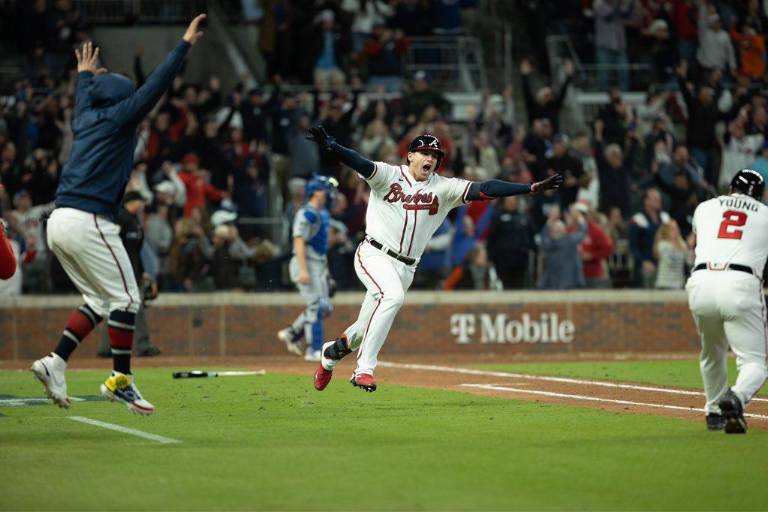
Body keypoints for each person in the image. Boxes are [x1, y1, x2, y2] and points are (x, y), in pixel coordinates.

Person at [30, 15, 206, 415]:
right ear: (120, 98)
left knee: (99, 298)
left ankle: (55, 361)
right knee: (128, 298)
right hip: (89, 219)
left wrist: (84, 76)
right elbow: (156, 86)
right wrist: (184, 45)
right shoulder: (118, 117)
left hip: (58, 221)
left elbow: (82, 98)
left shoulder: (85, 117)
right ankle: (121, 381)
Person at [306, 126, 562, 392]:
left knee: (361, 330)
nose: (430, 158)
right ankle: (364, 370)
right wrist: (333, 147)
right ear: (410, 156)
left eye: (435, 155)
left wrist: (529, 188)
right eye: (424, 152)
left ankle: (330, 354)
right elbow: (359, 162)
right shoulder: (389, 175)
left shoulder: (444, 187)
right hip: (373, 253)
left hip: (406, 267)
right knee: (392, 297)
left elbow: (485, 188)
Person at [686, 169, 767, 434]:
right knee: (755, 361)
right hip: (741, 283)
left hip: (701, 281)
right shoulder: (765, 214)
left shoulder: (704, 207)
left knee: (712, 351)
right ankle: (736, 397)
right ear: (760, 193)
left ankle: (713, 412)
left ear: (731, 187)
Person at [277, 175, 338, 361]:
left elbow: (321, 248)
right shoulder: (307, 213)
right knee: (316, 305)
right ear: (316, 192)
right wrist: (303, 270)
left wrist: (326, 274)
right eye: (325, 190)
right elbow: (299, 241)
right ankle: (314, 348)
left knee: (325, 307)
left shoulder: (323, 213)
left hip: (318, 264)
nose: (328, 194)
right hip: (305, 263)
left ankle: (292, 332)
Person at [96, 191, 161, 358]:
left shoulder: (134, 221)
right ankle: (143, 345)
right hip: (117, 271)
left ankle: (106, 348)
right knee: (134, 305)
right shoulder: (120, 218)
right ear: (132, 201)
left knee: (115, 307)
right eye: (141, 201)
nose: (143, 205)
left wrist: (142, 274)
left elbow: (135, 252)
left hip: (131, 271)